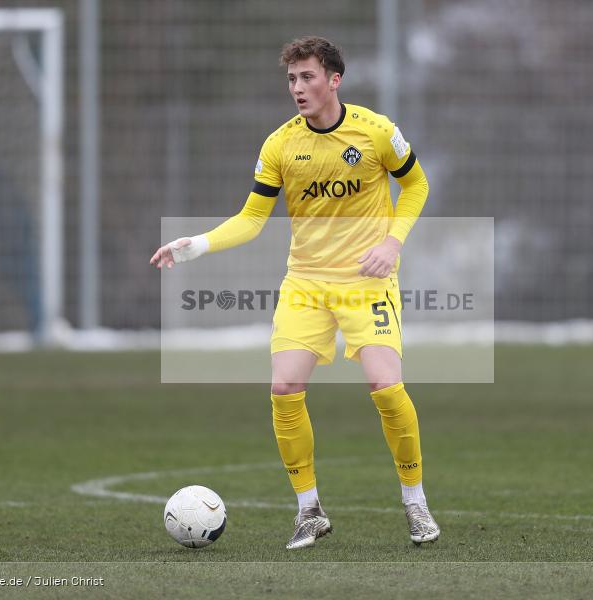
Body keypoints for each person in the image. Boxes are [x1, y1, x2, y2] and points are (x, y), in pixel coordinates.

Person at [150, 36, 438, 549]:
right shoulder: (280, 145)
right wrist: (197, 245)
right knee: (284, 388)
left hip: (366, 282)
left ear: (334, 79)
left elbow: (416, 185)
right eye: (291, 79)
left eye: (307, 77)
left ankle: (415, 503)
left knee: (386, 387)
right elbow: (252, 218)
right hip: (305, 283)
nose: (297, 88)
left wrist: (392, 243)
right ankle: (309, 511)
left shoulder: (376, 131)